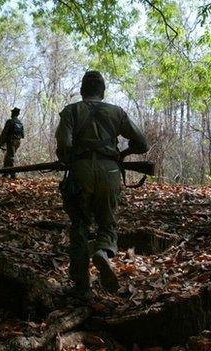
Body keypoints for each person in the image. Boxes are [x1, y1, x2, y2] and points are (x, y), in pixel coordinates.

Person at [55, 71, 148, 299]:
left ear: (82, 91)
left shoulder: (71, 111)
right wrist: (123, 153)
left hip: (81, 171)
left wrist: (68, 157)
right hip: (110, 171)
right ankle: (103, 250)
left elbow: (64, 145)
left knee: (79, 225)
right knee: (108, 222)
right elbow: (142, 143)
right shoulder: (117, 112)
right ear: (103, 91)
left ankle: (81, 287)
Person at [0, 107, 24, 179]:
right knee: (8, 156)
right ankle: (5, 173)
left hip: (11, 141)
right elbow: (22, 135)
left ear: (13, 113)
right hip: (18, 142)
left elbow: (4, 133)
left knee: (10, 157)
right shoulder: (20, 123)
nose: (11, 113)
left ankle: (13, 174)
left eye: (12, 112)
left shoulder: (10, 121)